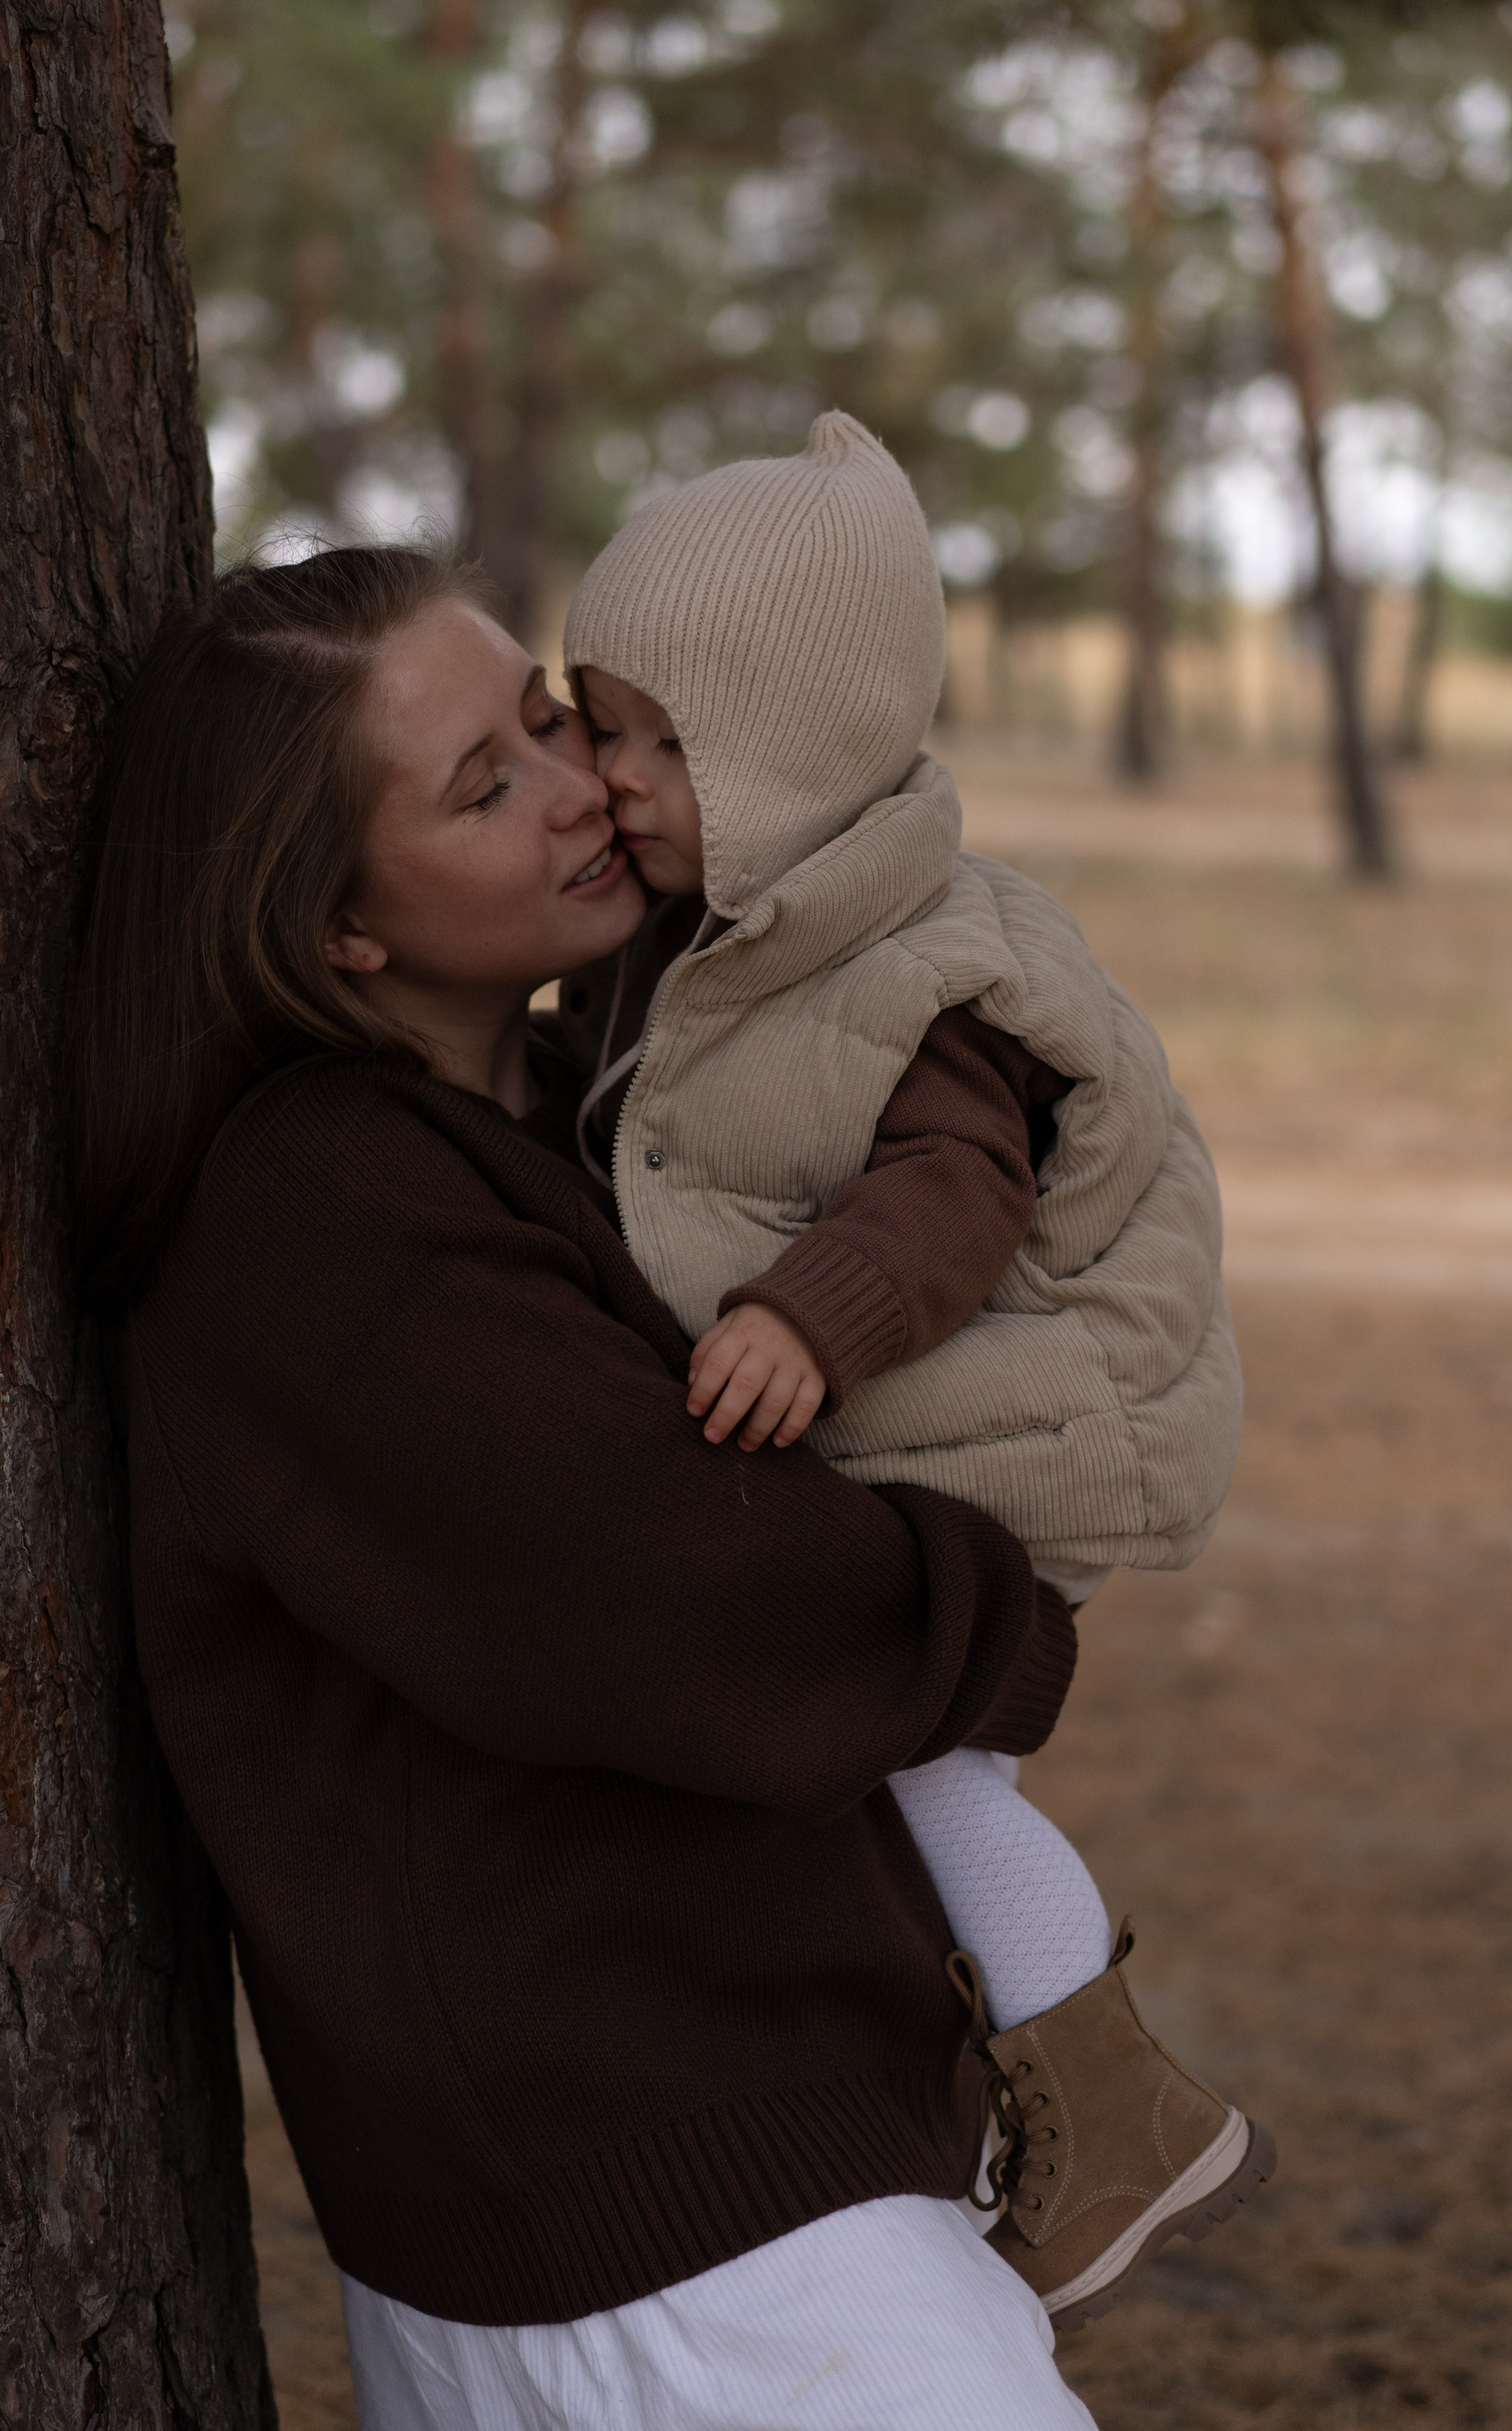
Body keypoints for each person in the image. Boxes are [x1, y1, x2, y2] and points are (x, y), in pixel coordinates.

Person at [73, 543, 1101, 2430]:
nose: (581, 788)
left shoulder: (571, 1105)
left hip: (754, 2186)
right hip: (664, 2250)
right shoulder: (317, 1230)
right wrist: (1004, 1612)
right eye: (485, 785)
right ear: (335, 936)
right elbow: (705, 1607)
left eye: (546, 716)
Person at [558, 411, 1272, 2329]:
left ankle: (1115, 2110)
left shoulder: (921, 962)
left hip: (993, 1442)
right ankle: (980, 2094)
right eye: (590, 723)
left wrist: (811, 1318)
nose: (606, 775)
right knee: (864, 1787)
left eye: (648, 738)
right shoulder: (721, 928)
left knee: (927, 1773)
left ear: (778, 746)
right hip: (894, 1443)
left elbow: (959, 1192)